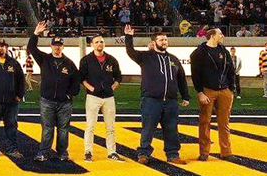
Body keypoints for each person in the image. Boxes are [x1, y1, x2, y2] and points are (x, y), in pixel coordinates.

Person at [124, 25, 190, 165]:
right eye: (161, 40)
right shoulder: (145, 57)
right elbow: (130, 52)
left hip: (171, 102)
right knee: (148, 129)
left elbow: (181, 78)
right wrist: (129, 37)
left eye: (166, 39)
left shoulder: (173, 59)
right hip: (151, 101)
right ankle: (143, 153)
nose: (164, 42)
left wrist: (185, 96)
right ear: (154, 42)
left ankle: (173, 155)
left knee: (172, 129)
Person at [28, 22, 81, 162]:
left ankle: (62, 152)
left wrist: (70, 94)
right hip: (47, 100)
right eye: (55, 45)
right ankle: (44, 152)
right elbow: (31, 48)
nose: (57, 47)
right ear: (51, 46)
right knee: (47, 128)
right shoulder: (44, 59)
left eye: (59, 45)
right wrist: (35, 34)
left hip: (65, 102)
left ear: (62, 47)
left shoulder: (69, 63)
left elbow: (76, 80)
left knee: (63, 129)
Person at [190, 28, 236, 162]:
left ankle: (226, 152)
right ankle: (204, 152)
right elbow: (195, 74)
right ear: (212, 36)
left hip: (225, 91)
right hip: (208, 90)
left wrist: (230, 89)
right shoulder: (199, 53)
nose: (222, 35)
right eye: (220, 34)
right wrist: (200, 92)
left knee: (224, 122)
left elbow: (231, 71)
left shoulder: (224, 51)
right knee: (205, 121)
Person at [78, 34, 122, 161]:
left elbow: (118, 76)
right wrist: (91, 89)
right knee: (90, 126)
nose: (99, 44)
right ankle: (88, 151)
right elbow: (81, 78)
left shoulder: (111, 60)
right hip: (93, 97)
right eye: (96, 42)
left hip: (108, 97)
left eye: (101, 42)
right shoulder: (86, 60)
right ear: (92, 44)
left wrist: (112, 87)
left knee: (110, 127)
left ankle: (112, 152)